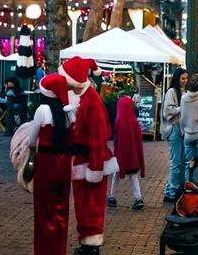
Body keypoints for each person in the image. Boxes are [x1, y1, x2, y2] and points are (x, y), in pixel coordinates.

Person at [62, 57, 120, 255]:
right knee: (83, 204)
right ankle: (87, 241)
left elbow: (98, 137)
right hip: (84, 161)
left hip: (90, 162)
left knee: (91, 205)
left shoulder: (91, 102)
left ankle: (91, 245)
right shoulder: (85, 98)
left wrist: (95, 168)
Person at [28, 73, 74, 255]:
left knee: (44, 213)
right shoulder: (69, 112)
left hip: (46, 164)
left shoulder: (42, 111)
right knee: (61, 212)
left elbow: (31, 141)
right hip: (64, 165)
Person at [107, 96, 146, 211]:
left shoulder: (119, 122)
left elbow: (117, 141)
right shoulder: (135, 122)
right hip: (133, 156)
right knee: (133, 177)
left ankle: (112, 197)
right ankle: (138, 198)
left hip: (121, 156)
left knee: (116, 175)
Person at [161, 67, 188, 202]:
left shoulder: (186, 91)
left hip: (183, 130)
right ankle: (171, 191)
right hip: (174, 129)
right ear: (177, 79)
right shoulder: (172, 91)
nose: (185, 81)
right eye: (183, 78)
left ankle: (175, 189)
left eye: (186, 78)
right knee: (176, 161)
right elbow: (168, 111)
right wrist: (181, 108)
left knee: (182, 161)